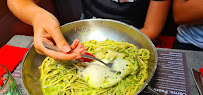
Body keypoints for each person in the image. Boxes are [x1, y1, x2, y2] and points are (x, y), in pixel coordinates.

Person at [7, 0, 171, 60]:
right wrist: (37, 16)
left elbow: (151, 29)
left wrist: (114, 53)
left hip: (136, 37)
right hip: (87, 31)